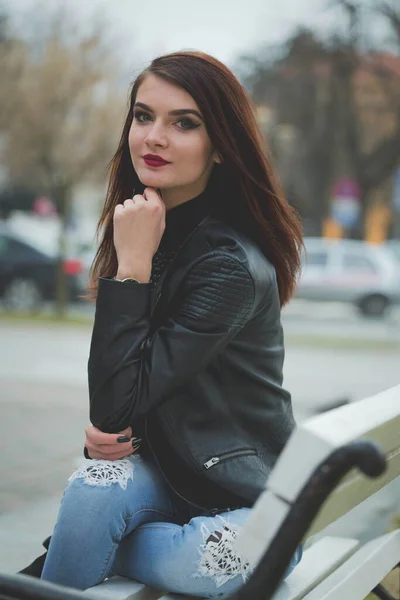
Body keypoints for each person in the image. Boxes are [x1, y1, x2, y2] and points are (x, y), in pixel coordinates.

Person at [31, 51, 303, 597]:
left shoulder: (226, 263)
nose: (154, 136)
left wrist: (130, 270)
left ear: (220, 145)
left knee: (185, 561)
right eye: (142, 116)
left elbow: (116, 407)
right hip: (175, 478)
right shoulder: (151, 228)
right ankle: (85, 541)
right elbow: (112, 413)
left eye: (184, 123)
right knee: (93, 489)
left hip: (253, 503)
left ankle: (82, 548)